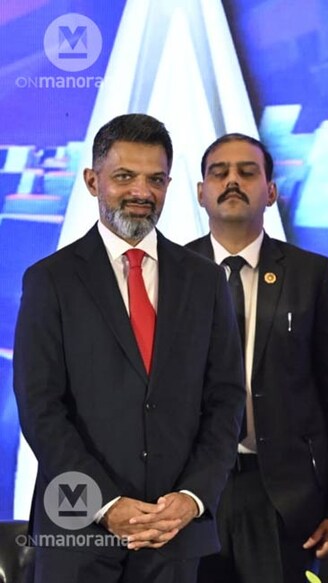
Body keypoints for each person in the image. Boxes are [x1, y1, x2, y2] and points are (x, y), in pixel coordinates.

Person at [13, 113, 245, 582]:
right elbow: (41, 408)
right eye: (125, 176)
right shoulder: (50, 280)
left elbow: (225, 400)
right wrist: (106, 503)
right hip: (78, 530)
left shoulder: (204, 280)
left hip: (174, 533)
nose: (141, 191)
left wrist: (193, 498)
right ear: (92, 181)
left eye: (155, 179)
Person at [187, 134, 328, 583]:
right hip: (188, 496)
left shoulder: (311, 275)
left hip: (282, 497)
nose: (232, 181)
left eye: (247, 172)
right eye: (219, 172)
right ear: (200, 192)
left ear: (270, 191)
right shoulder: (169, 273)